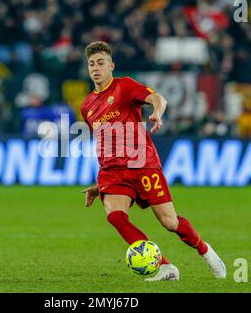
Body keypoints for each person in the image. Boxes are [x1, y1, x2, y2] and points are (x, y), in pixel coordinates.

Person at [80, 41, 226, 281]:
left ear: (111, 66)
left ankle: (206, 252)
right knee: (115, 216)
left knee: (170, 222)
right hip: (112, 171)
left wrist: (157, 112)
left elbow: (158, 98)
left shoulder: (125, 86)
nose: (96, 68)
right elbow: (105, 140)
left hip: (142, 164)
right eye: (91, 64)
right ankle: (166, 266)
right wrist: (101, 186)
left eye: (101, 63)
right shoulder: (87, 106)